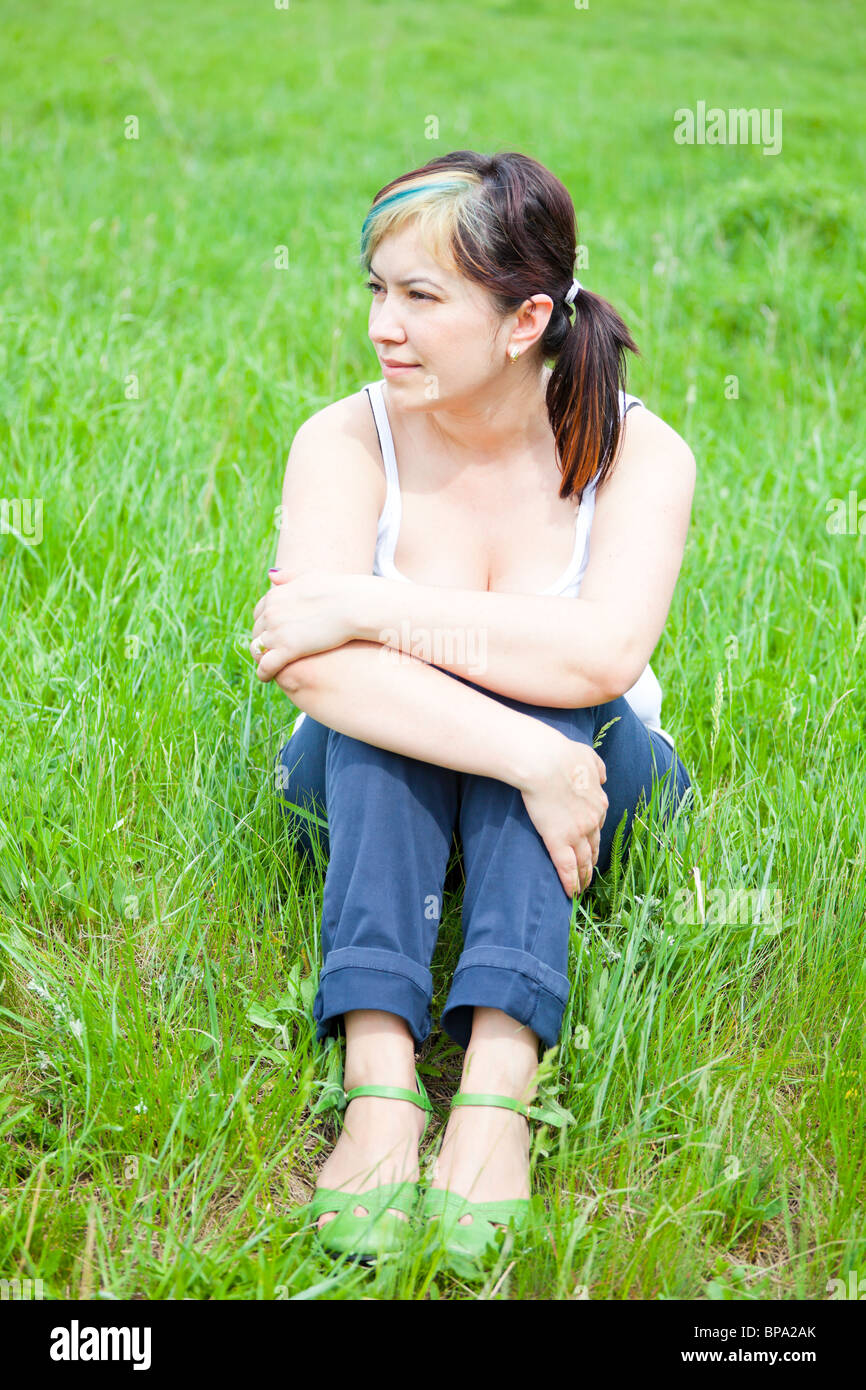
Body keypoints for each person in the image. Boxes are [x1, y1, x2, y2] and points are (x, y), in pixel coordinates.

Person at [250, 149, 696, 1265]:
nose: (381, 328)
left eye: (419, 297)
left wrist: (360, 603)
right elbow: (310, 673)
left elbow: (596, 656)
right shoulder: (342, 438)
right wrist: (515, 751)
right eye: (375, 290)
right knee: (384, 715)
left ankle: (499, 1085)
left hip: (595, 765)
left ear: (521, 318)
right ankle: (380, 1081)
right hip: (380, 767)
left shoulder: (639, 451)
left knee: (554, 704)